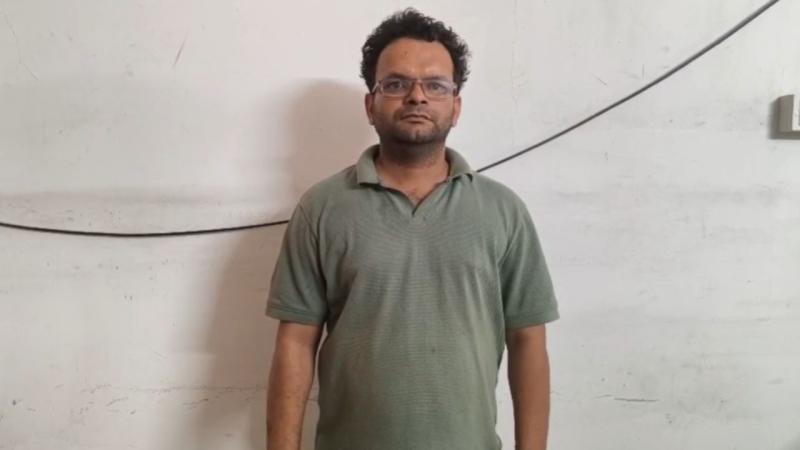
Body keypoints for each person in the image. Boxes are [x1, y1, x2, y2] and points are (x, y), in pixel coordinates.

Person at [265, 8, 559, 450]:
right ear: (371, 105)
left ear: (456, 107)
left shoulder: (503, 211)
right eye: (396, 84)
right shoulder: (322, 208)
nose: (417, 97)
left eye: (436, 85)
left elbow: (528, 341)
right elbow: (295, 343)